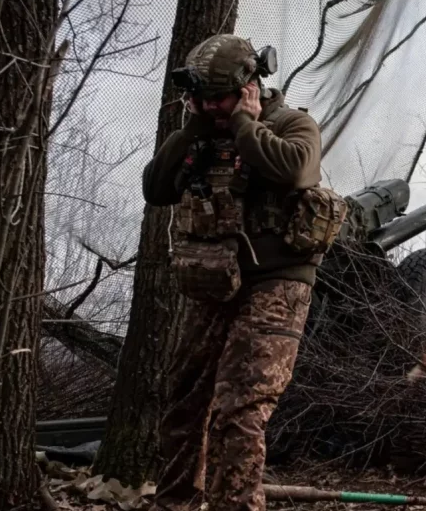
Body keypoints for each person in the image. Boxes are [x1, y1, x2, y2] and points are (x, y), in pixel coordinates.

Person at [142, 34, 346, 511]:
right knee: (183, 403)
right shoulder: (199, 132)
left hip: (276, 282)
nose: (212, 106)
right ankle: (174, 504)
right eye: (203, 98)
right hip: (213, 281)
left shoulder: (293, 124)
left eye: (221, 97)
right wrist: (192, 128)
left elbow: (296, 169)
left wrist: (244, 125)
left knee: (240, 410)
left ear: (251, 86)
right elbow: (156, 188)